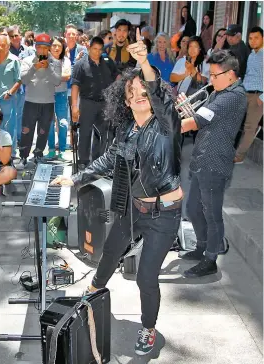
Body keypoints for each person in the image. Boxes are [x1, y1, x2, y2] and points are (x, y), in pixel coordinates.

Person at [52, 28, 183, 356]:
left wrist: (144, 64)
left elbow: (159, 94)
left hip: (164, 214)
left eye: (144, 91)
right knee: (110, 252)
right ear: (125, 101)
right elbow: (110, 159)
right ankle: (92, 293)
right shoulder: (126, 130)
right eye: (132, 92)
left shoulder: (165, 124)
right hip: (134, 208)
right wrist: (76, 178)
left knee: (145, 278)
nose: (139, 95)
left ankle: (148, 329)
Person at [180, 50, 247, 277]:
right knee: (192, 208)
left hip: (214, 162)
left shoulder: (233, 96)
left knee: (212, 213)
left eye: (215, 75)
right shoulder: (219, 91)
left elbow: (197, 121)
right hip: (202, 158)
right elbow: (202, 116)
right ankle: (202, 246)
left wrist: (168, 121)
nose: (210, 80)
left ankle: (210, 259)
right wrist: (187, 110)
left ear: (230, 74)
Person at [71, 36, 120, 167]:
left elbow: (117, 77)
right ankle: (83, 161)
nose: (97, 52)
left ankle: (98, 160)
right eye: (94, 49)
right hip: (87, 102)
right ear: (89, 48)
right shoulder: (80, 64)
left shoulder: (108, 61)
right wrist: (74, 106)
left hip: (105, 103)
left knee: (103, 133)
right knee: (85, 132)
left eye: (100, 49)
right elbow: (75, 86)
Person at [16, 33, 62, 168]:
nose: (42, 50)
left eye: (45, 48)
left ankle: (38, 155)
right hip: (31, 101)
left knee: (43, 131)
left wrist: (47, 68)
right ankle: (23, 156)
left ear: (48, 48)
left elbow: (57, 81)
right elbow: (23, 80)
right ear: (35, 47)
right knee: (26, 130)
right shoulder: (28, 60)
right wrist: (34, 67)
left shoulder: (55, 62)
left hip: (47, 103)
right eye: (39, 47)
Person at [0, 35, 21, 157]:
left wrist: (10, 92)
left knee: (10, 126)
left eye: (3, 45)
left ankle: (11, 153)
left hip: (8, 98)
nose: (0, 48)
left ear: (8, 46)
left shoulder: (14, 60)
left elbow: (19, 79)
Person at [234, 27, 263, 164]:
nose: (253, 41)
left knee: (249, 127)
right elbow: (248, 75)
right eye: (250, 38)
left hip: (258, 96)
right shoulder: (252, 55)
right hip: (246, 92)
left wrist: (262, 98)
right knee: (237, 121)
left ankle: (239, 156)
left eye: (256, 38)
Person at [45, 36, 71, 161]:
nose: (56, 48)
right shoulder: (43, 59)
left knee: (63, 123)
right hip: (47, 94)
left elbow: (67, 76)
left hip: (61, 94)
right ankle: (50, 150)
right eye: (54, 45)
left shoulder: (65, 60)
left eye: (59, 46)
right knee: (48, 123)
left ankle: (62, 150)